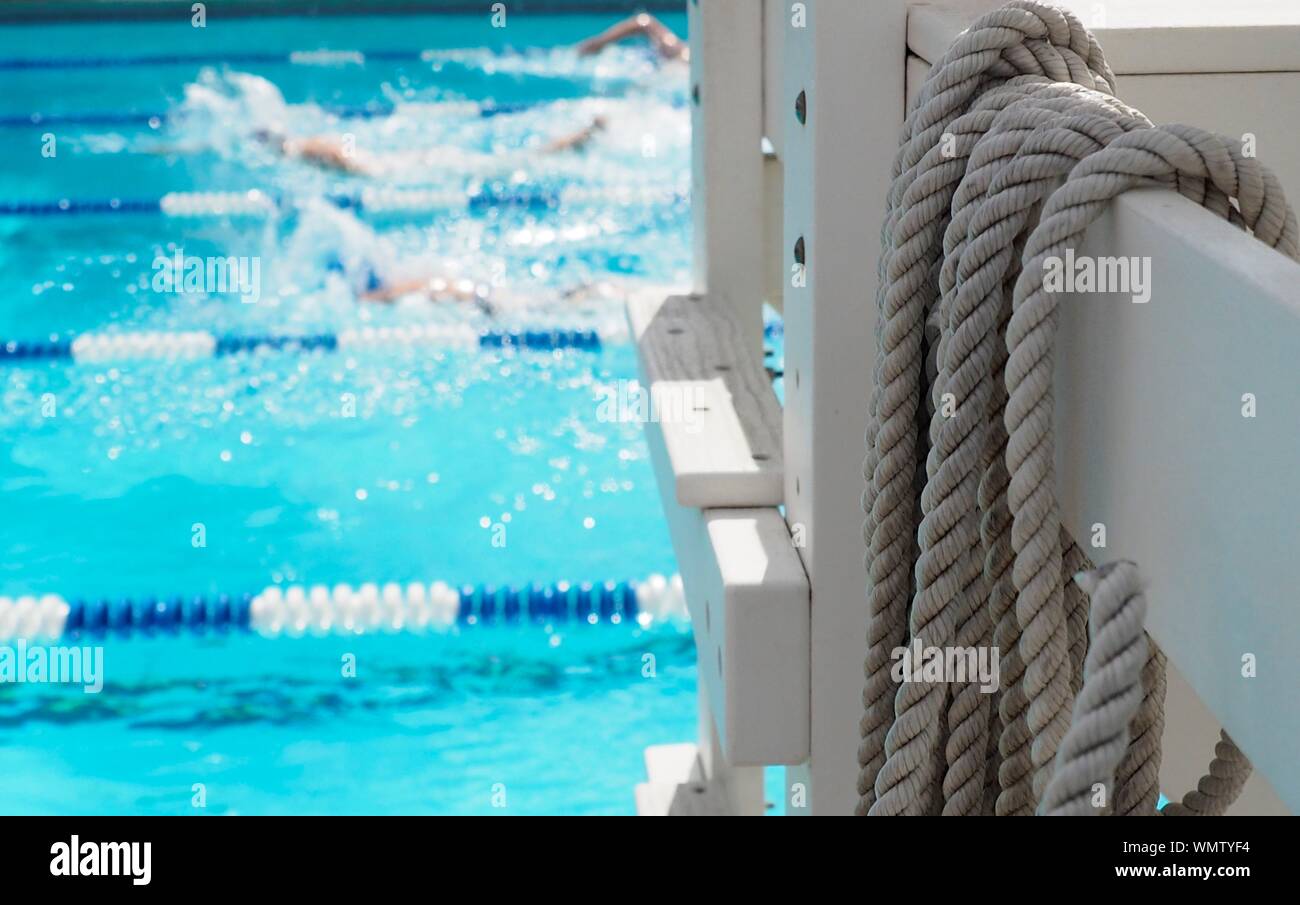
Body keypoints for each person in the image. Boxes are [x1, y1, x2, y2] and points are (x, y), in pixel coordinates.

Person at [576, 13, 688, 62]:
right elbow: (644, 23)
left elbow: (645, 23)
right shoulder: (684, 56)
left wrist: (599, 43)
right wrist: (600, 43)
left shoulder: (684, 57)